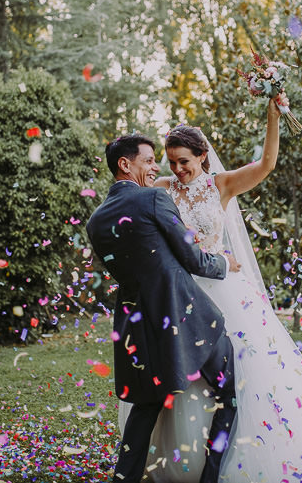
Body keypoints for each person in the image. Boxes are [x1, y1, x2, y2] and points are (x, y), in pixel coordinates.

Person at [121, 97, 302, 481]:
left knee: (247, 374)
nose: (178, 169)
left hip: (224, 290)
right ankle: (180, 461)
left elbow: (266, 164)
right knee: (182, 379)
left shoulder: (222, 184)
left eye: (184, 160)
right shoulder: (162, 188)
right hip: (181, 293)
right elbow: (133, 193)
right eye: (172, 161)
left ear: (202, 157)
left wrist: (273, 114)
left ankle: (236, 462)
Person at [86, 134, 242, 483]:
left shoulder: (95, 221)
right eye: (149, 160)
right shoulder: (153, 198)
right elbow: (193, 259)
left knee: (147, 404)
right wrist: (224, 262)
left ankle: (123, 478)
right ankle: (210, 478)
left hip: (139, 325)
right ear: (125, 165)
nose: (156, 167)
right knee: (228, 394)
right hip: (189, 318)